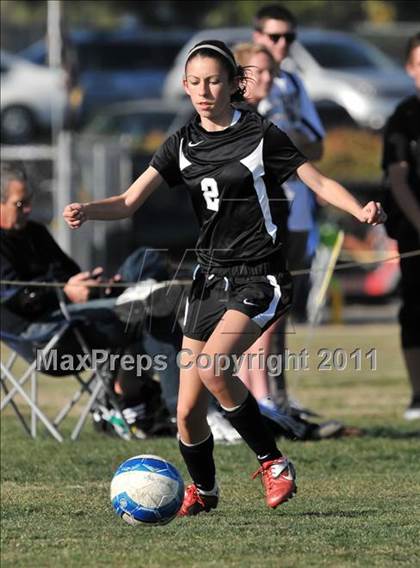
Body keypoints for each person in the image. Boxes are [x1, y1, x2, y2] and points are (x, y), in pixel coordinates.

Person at [63, 40, 385, 515]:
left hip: (261, 277)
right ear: (185, 86)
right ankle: (206, 491)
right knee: (186, 412)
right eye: (194, 82)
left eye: (214, 81)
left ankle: (273, 461)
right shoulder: (182, 143)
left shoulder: (260, 135)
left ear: (235, 84)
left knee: (215, 369)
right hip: (209, 281)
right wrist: (88, 210)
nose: (203, 91)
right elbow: (130, 202)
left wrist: (359, 207)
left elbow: (316, 181)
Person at [0, 163, 180, 437]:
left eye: (29, 203)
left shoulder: (35, 232)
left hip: (80, 316)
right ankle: (175, 410)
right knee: (149, 312)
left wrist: (94, 285)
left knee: (147, 259)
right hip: (47, 337)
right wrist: (64, 291)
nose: (27, 210)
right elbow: (17, 296)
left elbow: (69, 273)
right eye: (20, 204)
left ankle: (132, 296)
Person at [252, 3, 325, 411]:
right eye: (274, 36)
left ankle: (275, 395)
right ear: (257, 36)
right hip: (259, 211)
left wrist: (292, 135)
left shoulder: (293, 86)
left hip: (296, 209)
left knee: (282, 306)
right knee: (256, 305)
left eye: (289, 38)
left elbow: (317, 144)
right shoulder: (243, 85)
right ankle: (258, 398)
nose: (282, 45)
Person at [382, 33, 420, 421]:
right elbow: (398, 179)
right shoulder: (403, 118)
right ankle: (418, 396)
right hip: (414, 229)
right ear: (410, 69)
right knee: (415, 309)